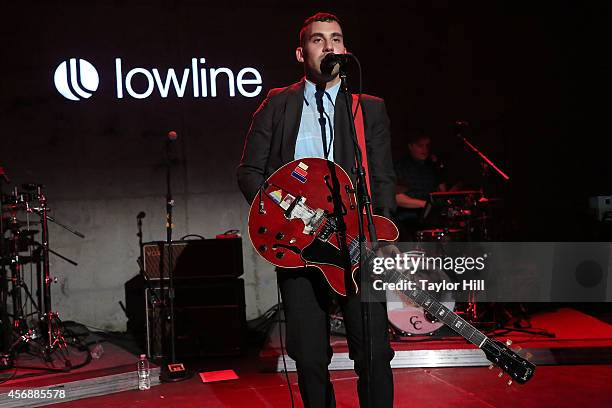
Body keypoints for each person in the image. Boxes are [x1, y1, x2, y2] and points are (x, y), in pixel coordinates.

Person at [237, 12, 395, 408]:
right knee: (308, 358)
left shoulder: (368, 108)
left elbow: (383, 178)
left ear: (345, 49)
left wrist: (384, 238)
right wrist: (283, 211)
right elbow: (249, 172)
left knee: (374, 352)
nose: (329, 46)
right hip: (300, 247)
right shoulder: (277, 104)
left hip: (357, 246)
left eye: (337, 39)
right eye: (318, 39)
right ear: (301, 51)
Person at [394, 133, 447, 238]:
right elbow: (397, 198)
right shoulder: (400, 167)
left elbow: (442, 192)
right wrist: (426, 204)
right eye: (420, 146)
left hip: (432, 219)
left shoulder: (432, 167)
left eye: (427, 146)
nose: (425, 149)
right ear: (410, 146)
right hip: (409, 220)